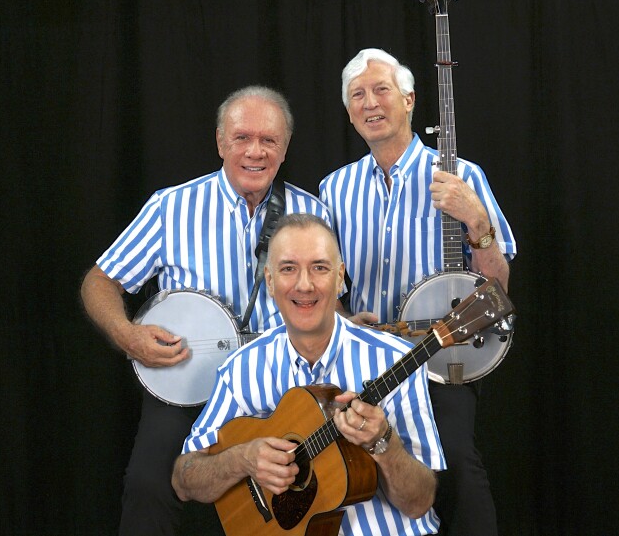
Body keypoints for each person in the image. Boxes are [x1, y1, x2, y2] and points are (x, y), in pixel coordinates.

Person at [80, 86, 332, 536]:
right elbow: (99, 281)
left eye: (268, 141)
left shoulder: (312, 215)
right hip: (185, 389)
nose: (255, 151)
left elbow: (328, 305)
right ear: (220, 142)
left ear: (285, 147)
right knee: (147, 485)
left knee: (311, 490)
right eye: (242, 138)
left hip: (278, 388)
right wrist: (126, 334)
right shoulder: (171, 207)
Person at [319, 48, 517, 536]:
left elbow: (497, 290)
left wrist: (477, 219)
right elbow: (324, 284)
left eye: (381, 90)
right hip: (368, 363)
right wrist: (343, 319)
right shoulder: (334, 189)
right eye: (358, 95)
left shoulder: (461, 176)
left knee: (456, 473)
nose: (370, 103)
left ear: (408, 100)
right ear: (348, 113)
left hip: (437, 359)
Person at [171, 213, 445, 535]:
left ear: (340, 278)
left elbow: (419, 502)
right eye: (289, 269)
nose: (304, 285)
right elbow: (184, 478)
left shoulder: (395, 359)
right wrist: (243, 459)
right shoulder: (241, 369)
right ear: (270, 282)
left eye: (320, 267)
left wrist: (382, 441)